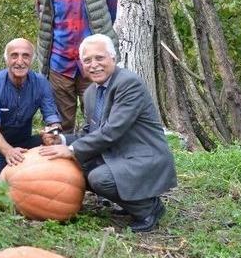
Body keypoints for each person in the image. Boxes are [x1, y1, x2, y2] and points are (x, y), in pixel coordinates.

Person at [40, 34, 176, 232]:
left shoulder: (128, 83)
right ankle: (133, 200)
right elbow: (90, 133)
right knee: (76, 168)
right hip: (117, 155)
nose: (94, 65)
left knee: (99, 178)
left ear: (113, 58)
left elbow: (113, 130)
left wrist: (72, 149)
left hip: (144, 156)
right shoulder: (91, 93)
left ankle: (149, 209)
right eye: (87, 60)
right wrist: (60, 139)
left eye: (99, 58)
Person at [35, 0, 119, 132]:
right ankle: (63, 164)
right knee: (60, 126)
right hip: (59, 64)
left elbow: (110, 11)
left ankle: (96, 164)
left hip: (93, 65)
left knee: (100, 123)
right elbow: (43, 19)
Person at [0, 38, 62, 183]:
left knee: (65, 143)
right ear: (7, 59)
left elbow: (52, 118)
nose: (20, 61)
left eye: (25, 56)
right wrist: (8, 151)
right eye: (14, 55)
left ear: (32, 59)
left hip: (23, 142)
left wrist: (54, 134)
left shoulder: (41, 83)